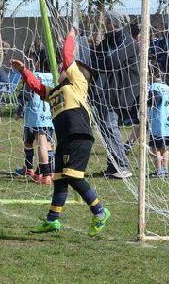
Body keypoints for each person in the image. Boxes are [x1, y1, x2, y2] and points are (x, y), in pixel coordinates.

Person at [12, 30, 112, 235]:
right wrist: (24, 71)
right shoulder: (56, 92)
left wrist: (71, 36)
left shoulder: (77, 85)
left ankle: (100, 213)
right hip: (65, 139)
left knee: (73, 177)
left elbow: (67, 57)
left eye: (65, 68)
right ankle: (52, 220)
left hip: (79, 136)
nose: (61, 68)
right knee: (59, 178)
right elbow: (38, 88)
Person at [90, 10, 138, 179]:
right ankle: (112, 165)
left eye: (111, 22)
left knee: (111, 127)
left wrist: (101, 63)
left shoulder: (129, 42)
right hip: (103, 93)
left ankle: (122, 165)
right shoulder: (105, 43)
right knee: (105, 129)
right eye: (107, 22)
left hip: (121, 92)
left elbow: (112, 61)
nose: (108, 25)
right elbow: (94, 60)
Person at [16, 50, 55, 186]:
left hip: (34, 117)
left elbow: (25, 95)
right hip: (50, 117)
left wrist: (19, 111)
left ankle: (41, 174)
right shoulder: (54, 76)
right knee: (47, 144)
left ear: (38, 62)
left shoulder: (34, 76)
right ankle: (48, 171)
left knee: (35, 143)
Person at [146, 65, 169, 178]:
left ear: (152, 75)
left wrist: (146, 100)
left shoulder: (154, 87)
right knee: (165, 149)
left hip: (159, 124)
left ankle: (159, 171)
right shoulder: (168, 88)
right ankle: (165, 170)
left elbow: (154, 100)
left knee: (155, 148)